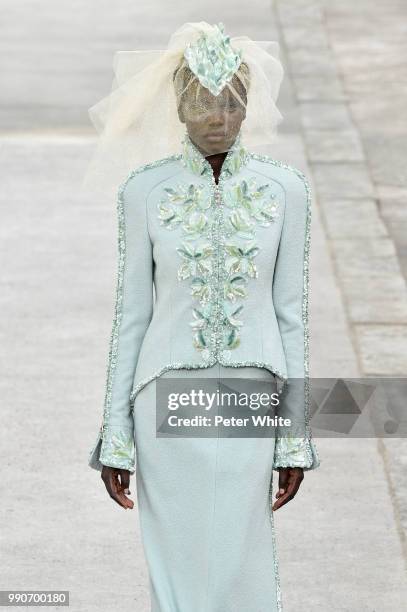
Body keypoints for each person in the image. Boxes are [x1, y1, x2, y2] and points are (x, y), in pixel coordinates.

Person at [84, 21, 320, 611]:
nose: (217, 115)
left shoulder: (285, 190)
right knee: (176, 560)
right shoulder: (144, 191)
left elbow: (291, 316)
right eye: (202, 101)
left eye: (231, 100)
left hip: (250, 398)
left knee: (244, 558)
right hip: (165, 399)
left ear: (249, 105)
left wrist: (294, 437)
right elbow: (132, 316)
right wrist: (116, 437)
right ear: (178, 106)